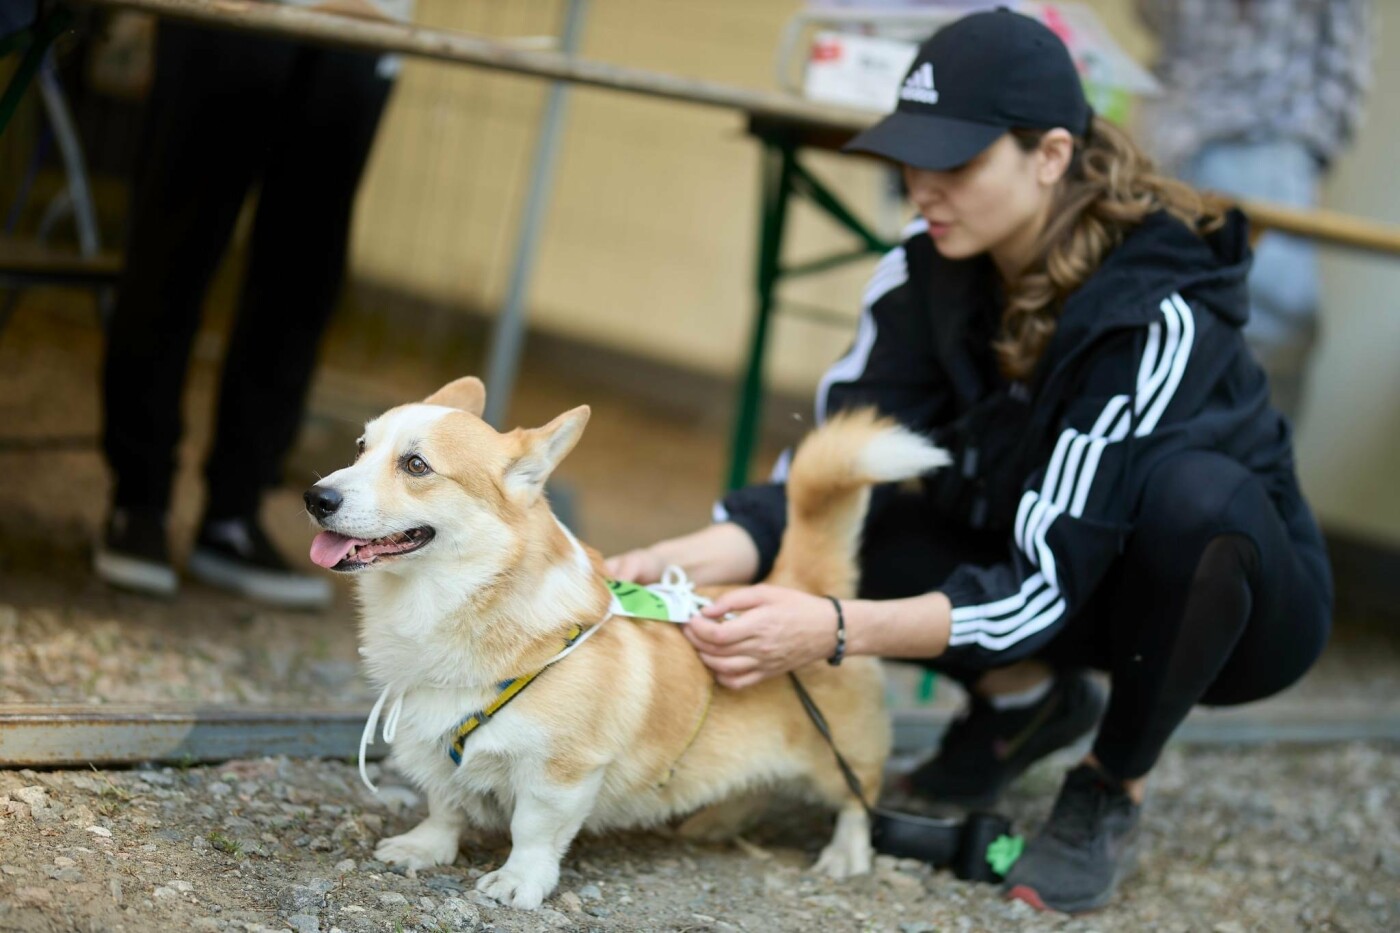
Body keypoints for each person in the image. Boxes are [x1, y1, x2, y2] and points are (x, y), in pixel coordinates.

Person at [606, 9, 1331, 914]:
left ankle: (1112, 780)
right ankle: (1021, 698)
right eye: (913, 158)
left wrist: (831, 627)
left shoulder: (1155, 310)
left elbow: (1049, 580)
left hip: (1227, 606)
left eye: (956, 163)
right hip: (1054, 565)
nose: (923, 188)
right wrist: (669, 566)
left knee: (1196, 500)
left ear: (1051, 155)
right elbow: (826, 469)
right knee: (870, 520)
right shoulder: (926, 269)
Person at [93, 0, 413, 608]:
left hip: (365, 19)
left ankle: (233, 515)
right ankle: (137, 501)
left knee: (302, 277)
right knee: (175, 241)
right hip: (230, 9)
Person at [1135, 0, 1372, 423]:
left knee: (1267, 338)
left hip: (1265, 142)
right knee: (1147, 326)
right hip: (1171, 139)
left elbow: (1344, 62)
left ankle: (1242, 482)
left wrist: (1301, 156)